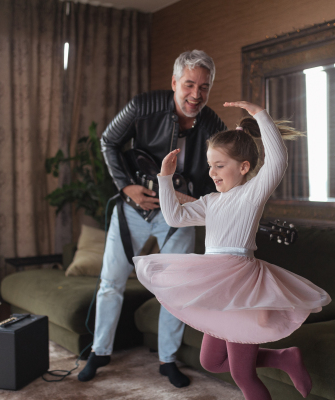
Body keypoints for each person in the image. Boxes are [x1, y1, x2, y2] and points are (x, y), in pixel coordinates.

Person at [134, 101, 331, 399]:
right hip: (217, 285)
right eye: (210, 165)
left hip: (241, 286)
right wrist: (164, 178)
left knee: (242, 374)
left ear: (244, 167)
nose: (212, 172)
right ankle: (283, 358)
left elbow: (277, 160)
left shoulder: (252, 194)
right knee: (211, 362)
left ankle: (285, 359)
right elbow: (175, 217)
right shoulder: (210, 201)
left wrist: (261, 115)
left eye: (219, 166)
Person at [77, 50, 227, 388]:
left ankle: (167, 360)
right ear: (174, 83)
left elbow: (218, 174)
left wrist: (200, 202)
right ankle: (99, 352)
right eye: (189, 84)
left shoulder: (214, 126)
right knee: (111, 283)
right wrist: (125, 186)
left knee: (175, 289)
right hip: (132, 208)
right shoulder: (142, 107)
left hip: (178, 215)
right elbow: (109, 142)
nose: (195, 95)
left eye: (204, 87)